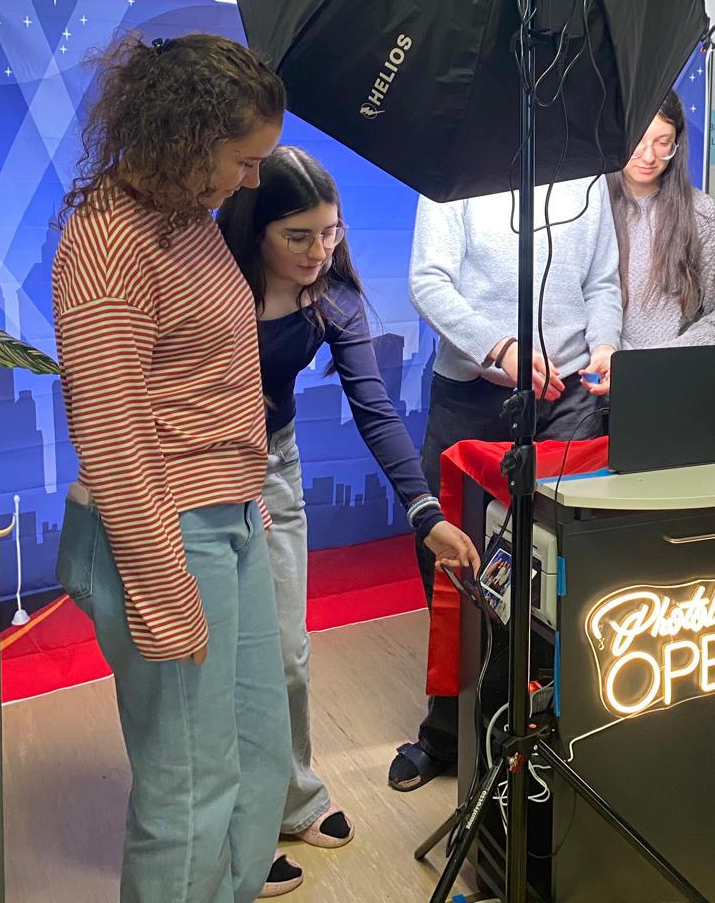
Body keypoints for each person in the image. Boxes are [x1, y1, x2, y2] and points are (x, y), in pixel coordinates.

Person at [52, 33, 290, 903]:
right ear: (189, 138)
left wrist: (247, 493)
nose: (252, 180)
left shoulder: (188, 225)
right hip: (157, 531)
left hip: (224, 516)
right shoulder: (109, 242)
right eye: (245, 158)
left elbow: (211, 380)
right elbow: (112, 432)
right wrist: (158, 588)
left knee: (259, 755)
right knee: (188, 786)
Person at [216, 147, 481, 889]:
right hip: (202, 471)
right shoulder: (214, 283)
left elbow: (376, 410)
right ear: (255, 228)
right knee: (232, 660)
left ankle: (293, 794)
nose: (317, 251)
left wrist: (424, 511)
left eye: (329, 232)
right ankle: (238, 826)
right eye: (297, 236)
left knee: (287, 649)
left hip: (274, 462)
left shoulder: (331, 297)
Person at [389, 177, 620, 791]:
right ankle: (447, 729)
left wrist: (604, 343)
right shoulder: (455, 172)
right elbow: (428, 281)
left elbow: (600, 281)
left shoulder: (590, 173)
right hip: (472, 392)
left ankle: (539, 728)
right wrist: (499, 347)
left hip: (567, 397)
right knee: (455, 559)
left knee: (551, 564)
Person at [607, 91, 715, 348]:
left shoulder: (702, 213)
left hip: (670, 375)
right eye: (638, 141)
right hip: (593, 376)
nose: (648, 157)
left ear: (677, 143)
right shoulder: (588, 209)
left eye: (662, 142)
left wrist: (655, 361)